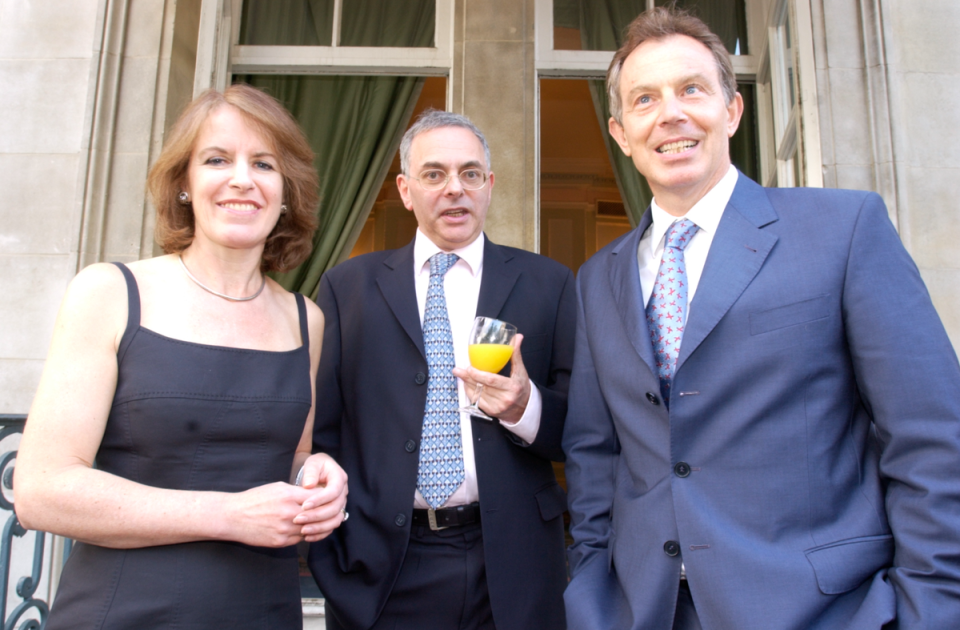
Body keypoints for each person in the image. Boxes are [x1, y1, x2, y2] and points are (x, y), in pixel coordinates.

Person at [562, 7, 960, 630]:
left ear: (732, 110)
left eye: (691, 89)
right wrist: (591, 590)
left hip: (827, 610)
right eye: (645, 99)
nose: (670, 113)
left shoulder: (843, 230)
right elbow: (594, 453)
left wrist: (929, 610)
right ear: (620, 131)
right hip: (646, 611)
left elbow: (932, 438)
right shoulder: (597, 278)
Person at [14, 84, 348, 629]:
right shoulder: (110, 293)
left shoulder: (304, 318)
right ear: (185, 184)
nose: (242, 178)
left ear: (285, 191)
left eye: (263, 163)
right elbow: (40, 490)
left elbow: (290, 455)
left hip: (262, 613)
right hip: (124, 612)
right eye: (217, 159)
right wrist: (229, 514)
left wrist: (317, 472)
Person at [307, 109, 575, 630]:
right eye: (435, 174)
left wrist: (526, 408)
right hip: (384, 567)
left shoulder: (550, 284)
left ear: (490, 186)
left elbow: (585, 431)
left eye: (470, 173)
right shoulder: (348, 288)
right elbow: (323, 432)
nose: (455, 188)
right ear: (406, 190)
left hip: (515, 566)